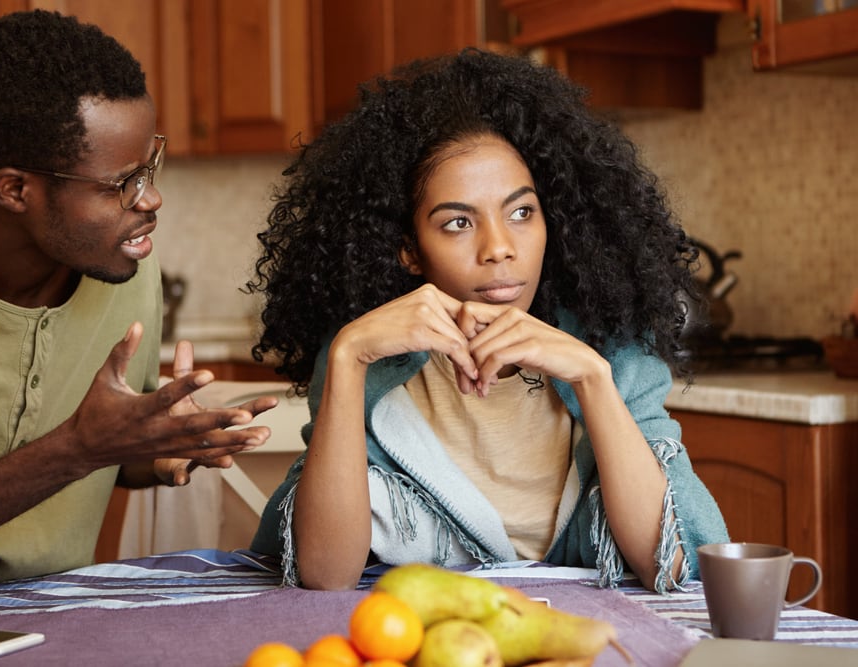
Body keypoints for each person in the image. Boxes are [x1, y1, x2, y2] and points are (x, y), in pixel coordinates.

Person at [247, 49, 729, 594]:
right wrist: (347, 356)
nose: (499, 248)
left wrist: (592, 379)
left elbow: (674, 564)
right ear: (409, 250)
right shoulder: (371, 359)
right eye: (457, 222)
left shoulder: (609, 345)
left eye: (522, 212)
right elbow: (324, 575)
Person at [0, 10, 276, 597]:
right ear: (15, 190)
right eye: (120, 183)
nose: (150, 198)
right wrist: (79, 448)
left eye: (149, 167)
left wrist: (154, 443)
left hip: (56, 614)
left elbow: (107, 447)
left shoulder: (127, 265)